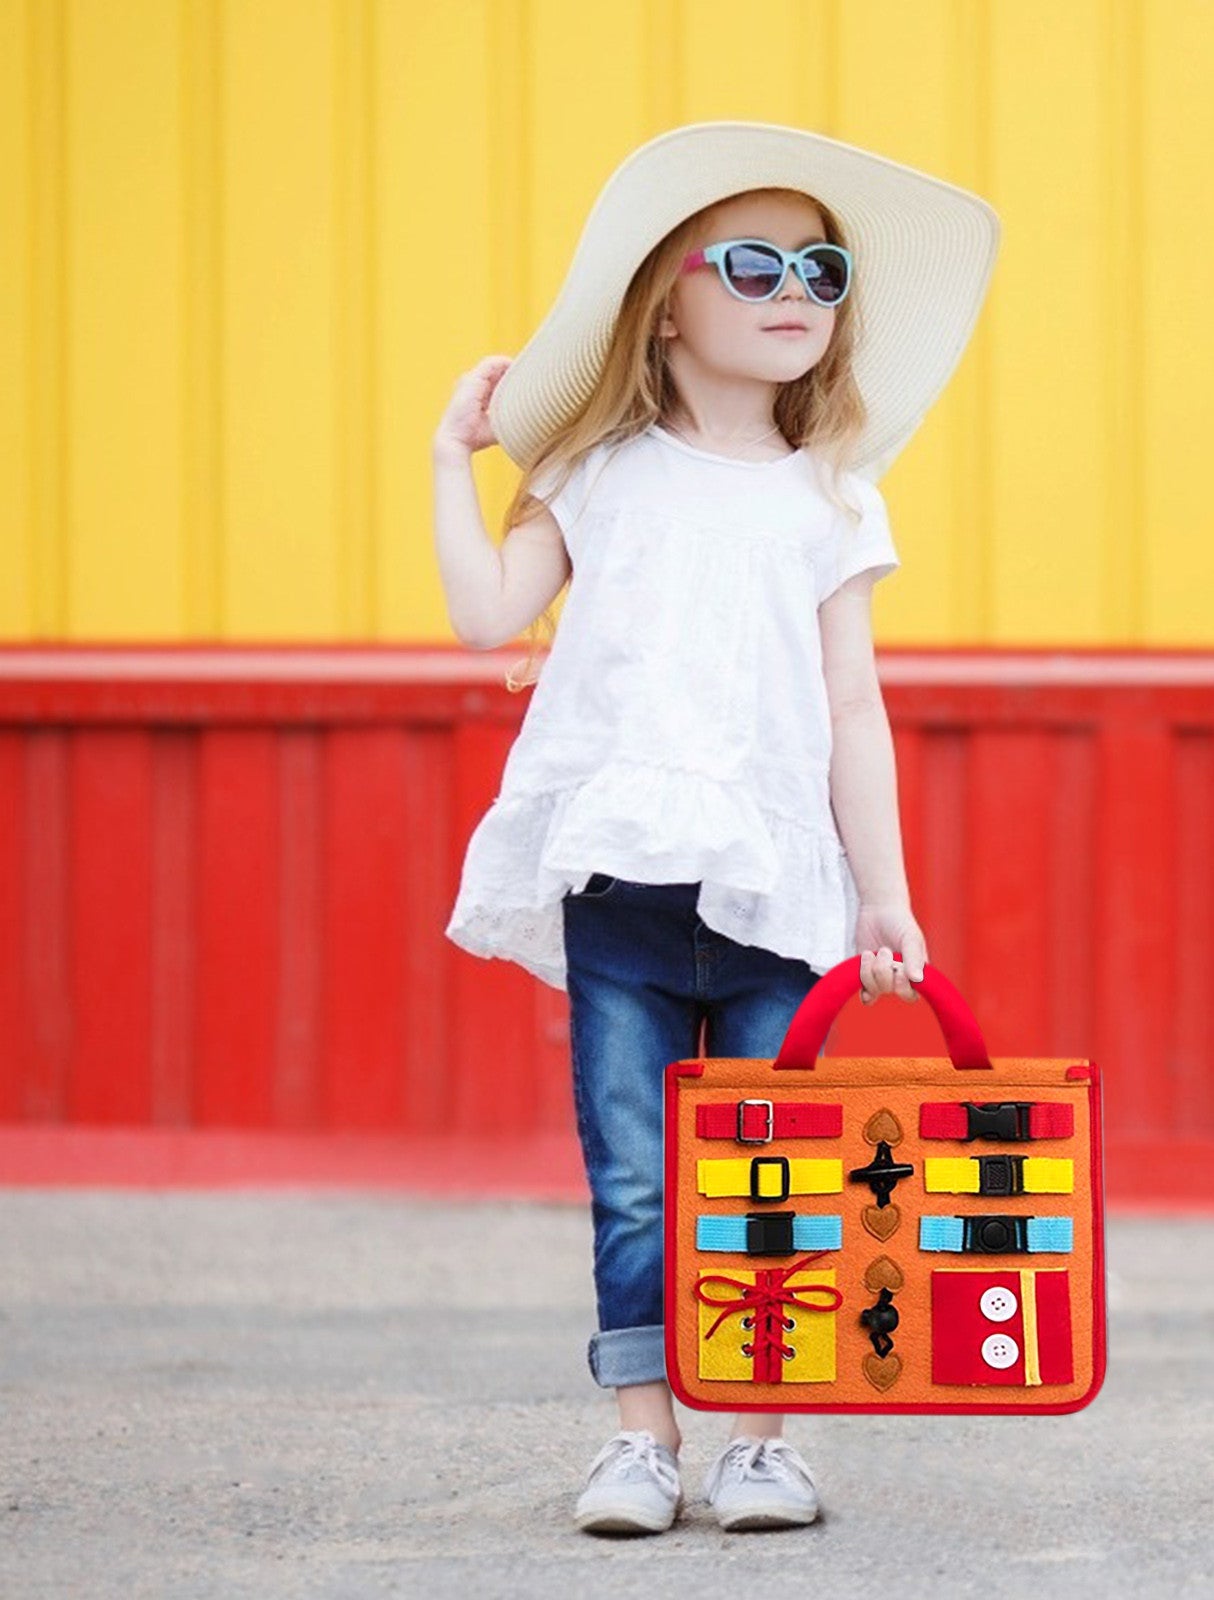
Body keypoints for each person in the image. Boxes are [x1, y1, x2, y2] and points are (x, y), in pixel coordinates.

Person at [430, 121, 999, 1536]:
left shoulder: (830, 499)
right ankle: (641, 1439)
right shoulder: (598, 473)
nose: (794, 286)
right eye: (754, 262)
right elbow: (490, 618)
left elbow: (852, 709)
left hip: (773, 895)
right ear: (666, 298)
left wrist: (887, 894)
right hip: (621, 877)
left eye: (821, 266)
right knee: (632, 1177)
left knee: (770, 1173)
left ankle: (759, 1438)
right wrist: (454, 456)